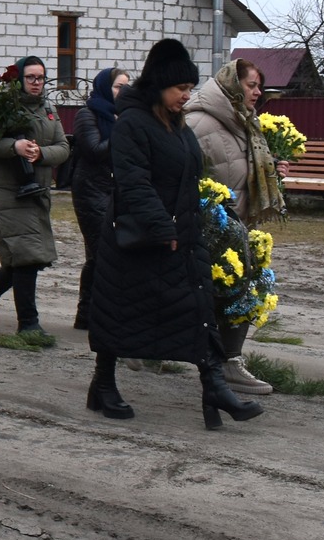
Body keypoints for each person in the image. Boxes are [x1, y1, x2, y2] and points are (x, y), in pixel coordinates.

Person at [88, 38, 266, 430]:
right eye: (179, 89)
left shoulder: (179, 125)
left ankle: (214, 388)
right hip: (138, 239)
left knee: (198, 310)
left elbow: (192, 177)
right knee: (122, 310)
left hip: (183, 236)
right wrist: (161, 226)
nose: (186, 96)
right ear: (158, 86)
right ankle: (103, 383)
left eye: (189, 89)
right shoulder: (132, 123)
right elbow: (134, 183)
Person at [184, 58, 285, 396]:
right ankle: (133, 346)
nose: (257, 92)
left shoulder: (245, 123)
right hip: (210, 230)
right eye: (251, 85)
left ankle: (228, 363)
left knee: (246, 292)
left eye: (259, 86)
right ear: (231, 83)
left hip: (242, 225)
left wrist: (273, 172)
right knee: (206, 298)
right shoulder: (198, 123)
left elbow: (245, 176)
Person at [0, 56, 69, 342]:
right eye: (31, 77)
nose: (37, 83)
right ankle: (28, 323)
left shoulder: (48, 107)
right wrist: (15, 146)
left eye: (41, 78)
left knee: (28, 256)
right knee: (25, 256)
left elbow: (63, 147)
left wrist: (40, 154)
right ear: (19, 79)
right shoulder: (1, 106)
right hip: (8, 191)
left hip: (37, 190)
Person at [69, 67, 130, 333]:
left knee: (101, 255)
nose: (123, 92)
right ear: (106, 87)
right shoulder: (88, 114)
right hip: (91, 191)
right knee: (102, 252)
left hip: (116, 192)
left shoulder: (124, 115)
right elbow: (93, 150)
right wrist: (121, 130)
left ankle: (88, 314)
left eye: (127, 87)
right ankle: (94, 314)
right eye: (118, 87)